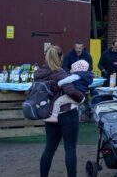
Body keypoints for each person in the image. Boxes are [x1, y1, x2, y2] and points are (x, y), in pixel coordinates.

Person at [36, 45, 85, 177]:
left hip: (49, 113)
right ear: (60, 57)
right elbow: (70, 91)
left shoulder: (39, 73)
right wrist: (81, 97)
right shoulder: (60, 73)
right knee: (70, 149)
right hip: (67, 114)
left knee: (49, 149)